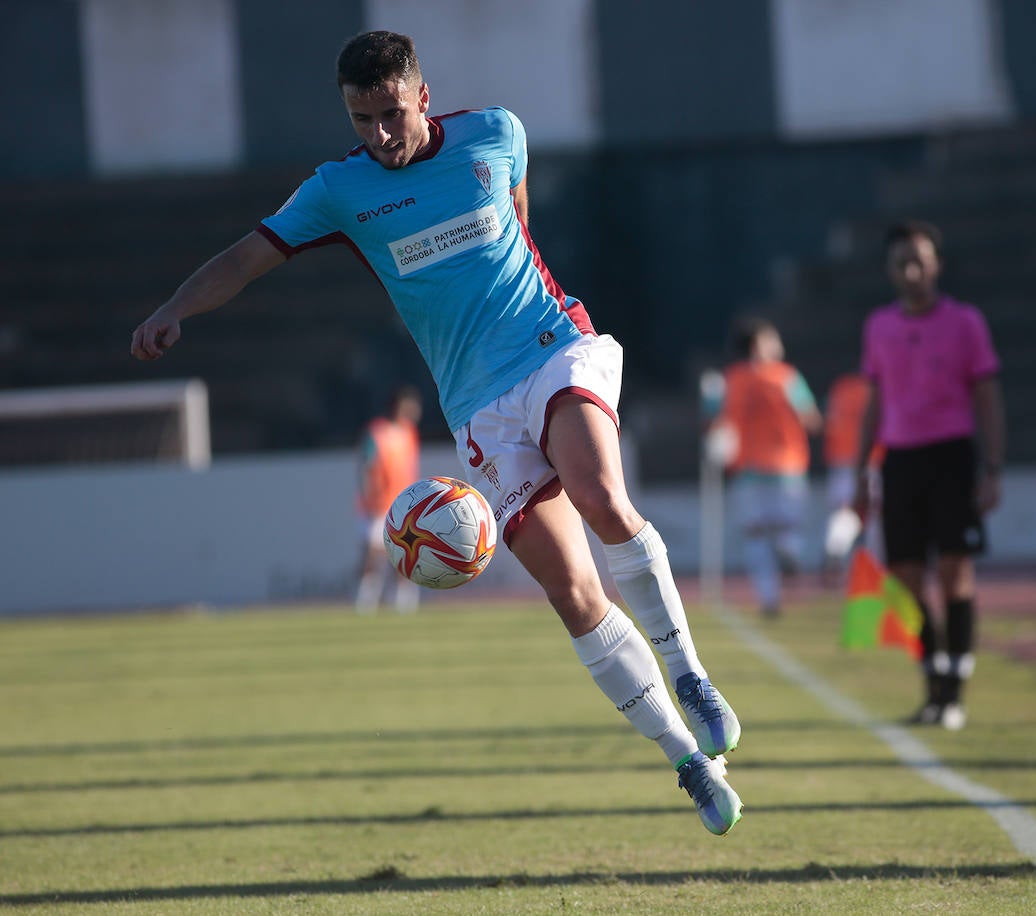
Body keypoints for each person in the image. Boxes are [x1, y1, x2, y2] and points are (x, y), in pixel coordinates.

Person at [130, 30, 742, 836]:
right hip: (477, 406)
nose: (379, 135)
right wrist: (175, 307)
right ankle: (686, 761)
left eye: (390, 113)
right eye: (361, 120)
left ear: (422, 94)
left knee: (598, 492)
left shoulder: (497, 133)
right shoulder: (338, 190)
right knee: (572, 591)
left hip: (553, 346)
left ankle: (690, 674)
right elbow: (246, 259)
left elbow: (518, 224)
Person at [853, 220, 1005, 731]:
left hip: (951, 456)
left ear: (936, 264)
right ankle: (933, 681)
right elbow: (874, 403)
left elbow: (987, 397)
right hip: (900, 459)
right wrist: (860, 472)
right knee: (905, 575)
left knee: (955, 572)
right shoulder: (879, 326)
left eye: (919, 260)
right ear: (889, 270)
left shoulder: (965, 323)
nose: (911, 270)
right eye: (901, 262)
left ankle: (955, 691)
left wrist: (992, 468)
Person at [703, 317, 821, 618]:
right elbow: (810, 418)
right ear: (760, 344)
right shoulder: (786, 376)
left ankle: (769, 598)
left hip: (747, 468)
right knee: (787, 527)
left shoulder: (730, 379)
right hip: (788, 464)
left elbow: (712, 420)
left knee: (755, 533)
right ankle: (789, 550)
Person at [354, 384, 423, 614]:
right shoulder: (377, 432)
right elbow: (366, 466)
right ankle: (365, 602)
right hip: (378, 505)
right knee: (373, 555)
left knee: (404, 553)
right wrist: (369, 497)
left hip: (402, 506)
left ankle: (404, 603)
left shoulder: (409, 432)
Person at [820, 370, 883, 583]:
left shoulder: (841, 387)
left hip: (841, 460)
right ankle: (875, 573)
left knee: (846, 510)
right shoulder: (878, 388)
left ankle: (836, 543)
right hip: (874, 459)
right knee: (875, 516)